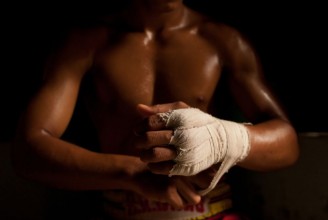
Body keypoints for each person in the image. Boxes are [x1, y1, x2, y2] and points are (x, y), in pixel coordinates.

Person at [12, 0, 299, 219]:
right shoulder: (86, 43)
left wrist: (223, 138)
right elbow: (27, 150)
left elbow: (287, 143)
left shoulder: (222, 41)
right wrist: (132, 173)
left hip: (213, 213)